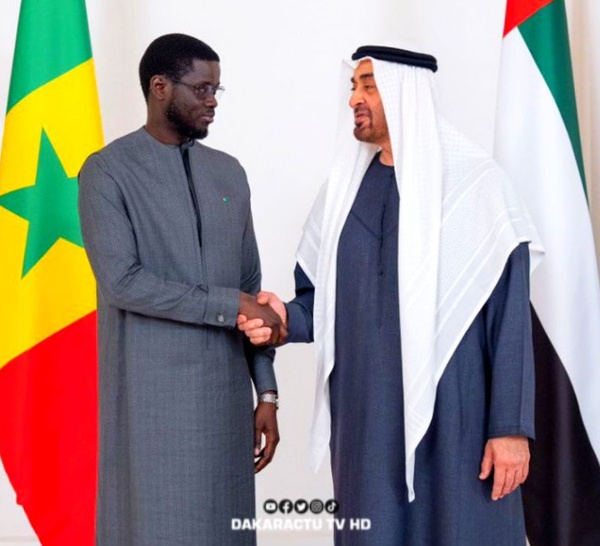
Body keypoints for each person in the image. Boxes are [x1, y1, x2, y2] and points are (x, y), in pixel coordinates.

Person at [238, 45, 544, 545]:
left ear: (407, 94)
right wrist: (285, 320)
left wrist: (510, 428)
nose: (354, 99)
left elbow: (510, 318)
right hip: (368, 418)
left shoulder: (475, 188)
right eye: (353, 87)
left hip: (459, 419)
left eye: (369, 86)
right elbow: (321, 302)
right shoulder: (341, 192)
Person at [78, 33, 286, 546]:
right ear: (160, 88)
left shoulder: (228, 173)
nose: (213, 101)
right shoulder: (107, 171)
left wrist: (267, 393)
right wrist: (228, 304)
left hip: (226, 407)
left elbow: (250, 288)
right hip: (151, 405)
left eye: (217, 89)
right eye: (201, 89)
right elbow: (122, 282)